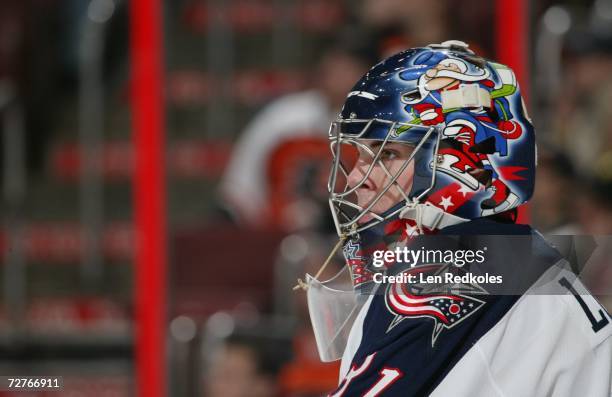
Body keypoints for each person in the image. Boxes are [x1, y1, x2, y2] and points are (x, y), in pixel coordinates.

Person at [299, 41, 612, 396]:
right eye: (359, 154)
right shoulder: (514, 261)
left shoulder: (453, 274)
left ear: (464, 162)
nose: (355, 178)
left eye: (387, 153)